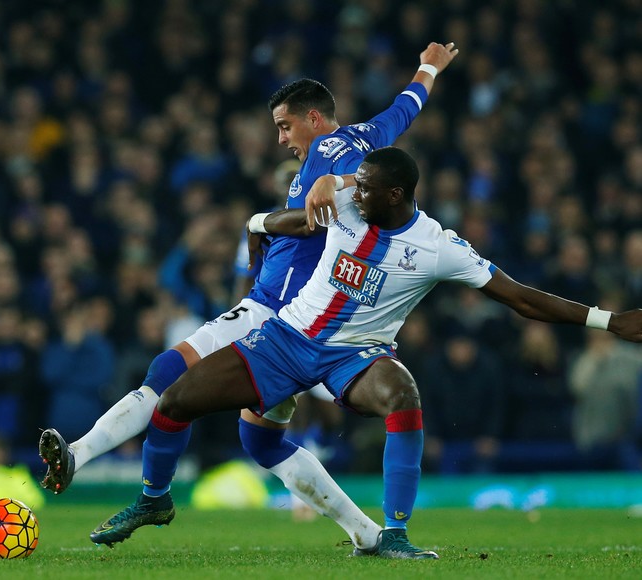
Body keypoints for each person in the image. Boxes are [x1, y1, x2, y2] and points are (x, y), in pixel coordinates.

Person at [89, 146, 642, 559]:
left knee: (402, 392)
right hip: (285, 340)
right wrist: (258, 223)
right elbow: (303, 217)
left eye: (366, 185)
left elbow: (521, 298)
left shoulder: (438, 248)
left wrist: (610, 320)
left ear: (395, 194)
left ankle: (394, 534)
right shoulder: (347, 200)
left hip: (354, 356)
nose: (355, 190)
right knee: (175, 402)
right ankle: (154, 498)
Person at [39, 42, 459, 553]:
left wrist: (302, 197)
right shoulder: (368, 138)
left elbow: (332, 188)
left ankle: (86, 460)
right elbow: (403, 110)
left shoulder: (330, 151)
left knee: (166, 373)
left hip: (277, 316)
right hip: (301, 321)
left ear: (313, 118)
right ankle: (367, 534)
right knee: (261, 442)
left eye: (285, 127)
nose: (282, 140)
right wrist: (427, 69)